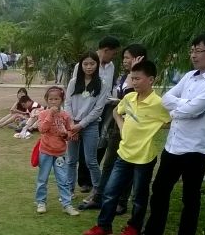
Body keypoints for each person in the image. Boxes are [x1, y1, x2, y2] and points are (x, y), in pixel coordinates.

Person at [131, 34, 205, 235]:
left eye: (198, 51)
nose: (193, 55)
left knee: (190, 196)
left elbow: (193, 110)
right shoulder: (189, 76)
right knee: (160, 190)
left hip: (196, 147)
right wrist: (185, 106)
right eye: (192, 50)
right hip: (173, 144)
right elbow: (166, 98)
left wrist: (180, 108)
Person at [83, 60, 170, 235]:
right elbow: (117, 111)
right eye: (132, 78)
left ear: (151, 80)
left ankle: (133, 228)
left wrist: (154, 127)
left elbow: (171, 121)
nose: (134, 82)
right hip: (124, 154)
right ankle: (104, 226)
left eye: (138, 79)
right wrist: (122, 126)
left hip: (144, 157)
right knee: (110, 191)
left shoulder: (158, 103)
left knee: (139, 196)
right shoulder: (129, 98)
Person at [80, 44, 147, 211]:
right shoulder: (124, 76)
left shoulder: (142, 77)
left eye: (127, 58)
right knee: (109, 162)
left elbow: (135, 99)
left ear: (138, 59)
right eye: (123, 57)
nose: (124, 61)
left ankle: (121, 202)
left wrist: (135, 70)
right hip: (117, 123)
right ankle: (99, 197)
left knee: (127, 164)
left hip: (132, 127)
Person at [64, 51, 110, 198]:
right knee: (71, 160)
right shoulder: (73, 82)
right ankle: (69, 190)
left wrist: (81, 125)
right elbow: (67, 103)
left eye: (92, 64)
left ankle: (98, 191)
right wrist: (71, 124)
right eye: (85, 64)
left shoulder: (102, 84)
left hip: (90, 125)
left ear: (97, 65)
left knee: (91, 161)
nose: (89, 67)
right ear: (80, 65)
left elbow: (98, 109)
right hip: (72, 125)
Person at [34, 86, 80, 216]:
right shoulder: (43, 114)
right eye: (51, 99)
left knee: (63, 179)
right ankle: (41, 202)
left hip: (60, 153)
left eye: (56, 99)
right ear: (46, 100)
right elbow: (42, 129)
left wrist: (66, 134)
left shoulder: (65, 115)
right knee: (43, 178)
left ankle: (67, 204)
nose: (53, 102)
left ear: (62, 100)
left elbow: (70, 132)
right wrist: (50, 114)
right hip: (45, 151)